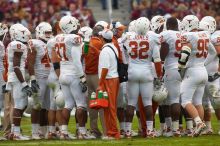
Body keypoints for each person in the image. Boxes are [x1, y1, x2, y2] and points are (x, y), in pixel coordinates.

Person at [124, 17, 162, 138]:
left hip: (132, 72)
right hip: (146, 72)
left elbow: (122, 53)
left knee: (131, 103)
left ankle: (128, 131)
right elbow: (157, 60)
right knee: (147, 103)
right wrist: (159, 76)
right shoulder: (152, 38)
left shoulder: (127, 37)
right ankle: (150, 130)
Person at [179, 15, 216, 137]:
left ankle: (199, 123)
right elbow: (213, 52)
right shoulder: (205, 35)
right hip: (203, 71)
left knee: (185, 101)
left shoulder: (189, 36)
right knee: (197, 102)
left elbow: (184, 53)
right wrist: (204, 62)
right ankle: (198, 129)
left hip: (193, 71)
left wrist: (181, 66)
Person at [56, 15, 91, 139]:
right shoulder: (74, 38)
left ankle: (63, 132)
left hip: (63, 74)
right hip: (74, 74)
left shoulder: (59, 37)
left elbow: (82, 52)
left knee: (68, 104)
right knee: (81, 104)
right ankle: (82, 132)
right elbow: (77, 60)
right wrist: (82, 77)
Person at [6, 24, 33, 140]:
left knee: (21, 104)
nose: (27, 35)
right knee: (19, 105)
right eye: (25, 34)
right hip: (17, 77)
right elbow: (16, 67)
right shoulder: (18, 45)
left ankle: (13, 131)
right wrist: (24, 84)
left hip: (14, 76)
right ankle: (16, 134)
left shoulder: (14, 44)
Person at [27, 22, 53, 139]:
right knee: (37, 105)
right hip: (39, 78)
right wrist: (33, 79)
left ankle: (44, 131)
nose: (49, 34)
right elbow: (30, 63)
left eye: (50, 32)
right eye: (46, 32)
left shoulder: (51, 43)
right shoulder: (35, 43)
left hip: (50, 78)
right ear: (40, 32)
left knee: (47, 106)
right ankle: (34, 132)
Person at [82, 23, 106, 138]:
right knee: (101, 103)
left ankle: (94, 130)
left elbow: (83, 56)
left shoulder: (86, 44)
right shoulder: (100, 43)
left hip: (88, 75)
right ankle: (106, 131)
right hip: (97, 75)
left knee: (92, 104)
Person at [160, 17, 182, 137]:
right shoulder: (182, 34)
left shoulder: (166, 34)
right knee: (177, 99)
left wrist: (161, 61)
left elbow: (163, 47)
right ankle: (176, 128)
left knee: (170, 100)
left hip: (171, 69)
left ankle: (174, 129)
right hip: (182, 69)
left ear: (168, 25)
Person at [98, 29, 120, 139]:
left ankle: (113, 132)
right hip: (113, 78)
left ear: (103, 38)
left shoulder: (105, 50)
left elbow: (105, 68)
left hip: (109, 80)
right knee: (109, 107)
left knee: (109, 107)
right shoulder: (113, 47)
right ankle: (110, 131)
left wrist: (100, 83)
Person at [200, 16, 220, 135]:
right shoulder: (202, 36)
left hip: (213, 76)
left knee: (217, 102)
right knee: (204, 103)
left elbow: (218, 51)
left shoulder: (216, 35)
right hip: (202, 74)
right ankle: (208, 127)